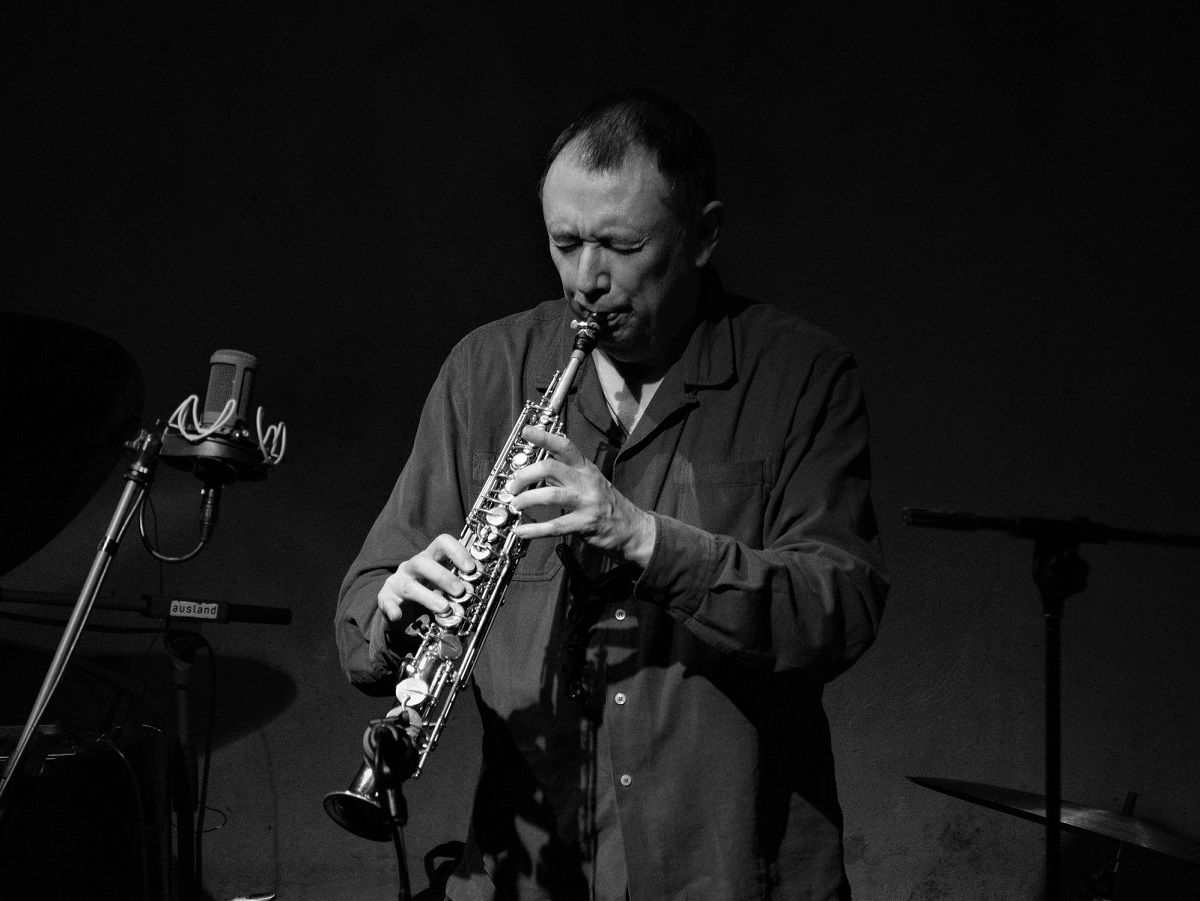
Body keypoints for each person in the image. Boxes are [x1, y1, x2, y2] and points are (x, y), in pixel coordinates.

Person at [336, 90, 890, 901]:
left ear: (704, 234)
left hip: (732, 873)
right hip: (528, 871)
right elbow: (359, 620)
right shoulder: (486, 371)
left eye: (622, 246)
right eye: (565, 243)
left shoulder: (803, 374)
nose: (587, 280)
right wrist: (393, 606)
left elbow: (843, 607)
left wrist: (647, 540)